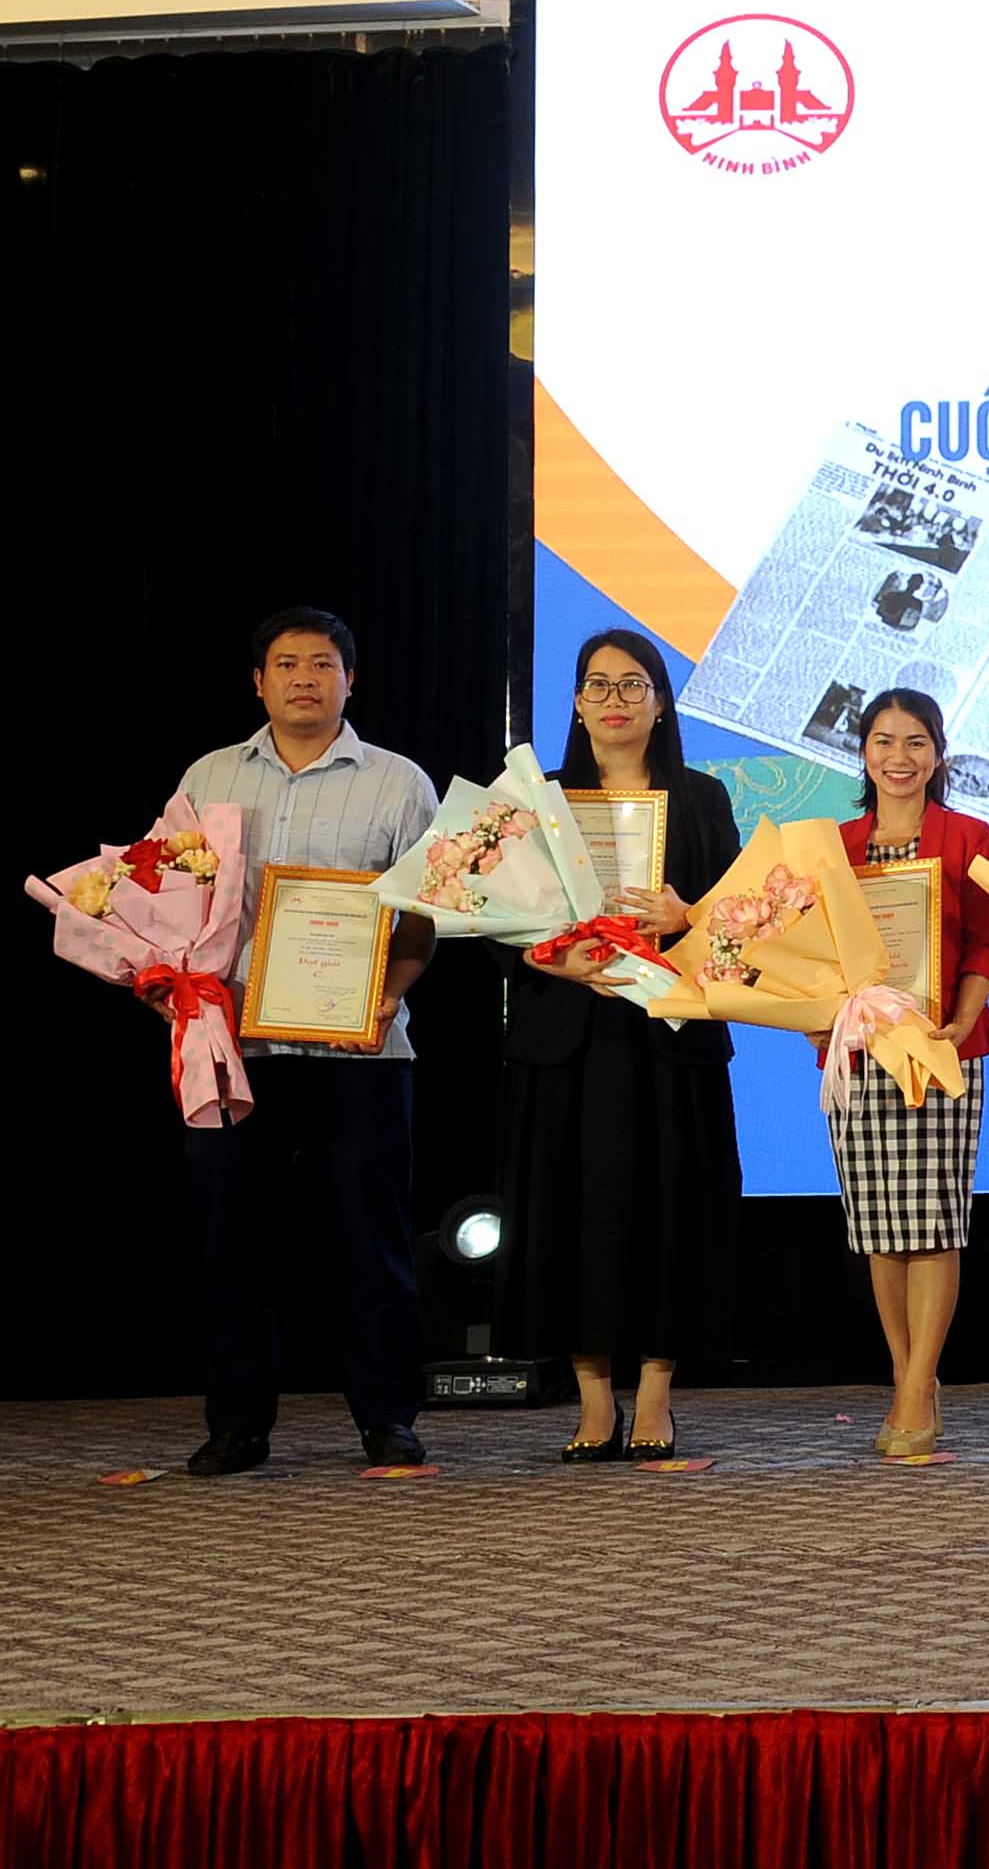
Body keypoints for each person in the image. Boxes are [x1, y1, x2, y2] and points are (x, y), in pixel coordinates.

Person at [167, 607, 441, 1476]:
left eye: (322, 665)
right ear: (259, 682)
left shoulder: (399, 783)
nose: (303, 680)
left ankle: (388, 1420)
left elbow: (429, 915)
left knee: (373, 1240)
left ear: (350, 680)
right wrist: (171, 982)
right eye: (286, 665)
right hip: (234, 1050)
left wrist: (386, 1000)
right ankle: (238, 1425)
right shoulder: (209, 777)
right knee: (231, 1240)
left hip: (361, 1053)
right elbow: (168, 900)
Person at [500, 629, 743, 1463]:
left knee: (670, 1211)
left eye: (633, 684)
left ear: (660, 703)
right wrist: (553, 961)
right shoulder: (538, 801)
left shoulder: (702, 798)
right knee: (572, 1213)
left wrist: (688, 916)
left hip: (669, 1038)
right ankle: (594, 1400)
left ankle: (657, 1396)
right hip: (568, 1038)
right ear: (576, 703)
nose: (614, 700)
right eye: (598, 685)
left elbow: (742, 921)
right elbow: (493, 921)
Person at [824, 688, 989, 1457]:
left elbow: (987, 940)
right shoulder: (834, 844)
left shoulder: (968, 835)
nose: (898, 758)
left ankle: (915, 1385)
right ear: (862, 751)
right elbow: (813, 948)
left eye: (915, 742)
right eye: (883, 741)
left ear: (937, 755)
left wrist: (963, 1017)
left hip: (940, 1046)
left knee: (932, 1223)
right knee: (880, 1227)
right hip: (860, 1051)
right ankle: (911, 1382)